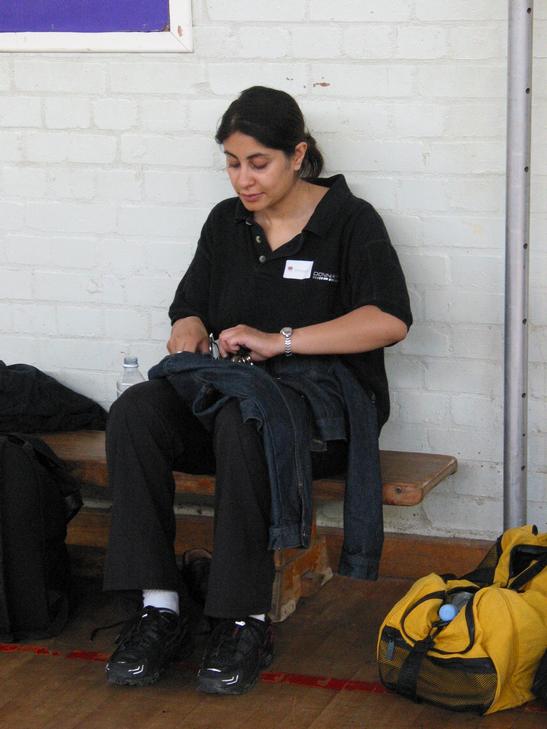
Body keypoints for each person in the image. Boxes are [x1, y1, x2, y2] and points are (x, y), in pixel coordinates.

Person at [103, 86, 412, 695]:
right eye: (232, 163)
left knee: (244, 421)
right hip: (232, 398)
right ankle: (159, 606)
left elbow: (389, 320)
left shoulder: (351, 221)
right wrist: (188, 326)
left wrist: (281, 341)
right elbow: (190, 305)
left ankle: (244, 619)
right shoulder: (227, 222)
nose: (243, 179)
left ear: (298, 155)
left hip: (319, 419)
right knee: (136, 410)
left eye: (258, 163)